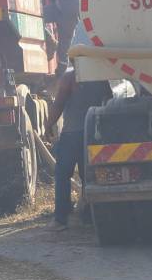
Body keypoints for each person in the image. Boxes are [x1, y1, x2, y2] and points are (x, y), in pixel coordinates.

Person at [43, 69, 113, 231]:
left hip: (71, 134)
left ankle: (61, 219)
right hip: (92, 134)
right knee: (87, 175)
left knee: (62, 174)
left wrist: (48, 125)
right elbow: (109, 102)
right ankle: (88, 216)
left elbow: (59, 104)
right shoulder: (101, 78)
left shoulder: (70, 78)